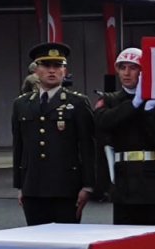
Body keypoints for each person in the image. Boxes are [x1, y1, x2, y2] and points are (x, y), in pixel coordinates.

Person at [11, 42, 97, 226]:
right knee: (37, 244)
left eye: (57, 66)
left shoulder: (78, 103)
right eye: (46, 65)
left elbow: (88, 146)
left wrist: (88, 185)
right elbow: (19, 147)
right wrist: (20, 186)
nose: (52, 71)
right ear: (36, 71)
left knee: (67, 243)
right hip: (33, 186)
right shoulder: (22, 104)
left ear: (64, 71)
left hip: (66, 186)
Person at [93, 47, 155, 226]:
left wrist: (148, 109)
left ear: (143, 71)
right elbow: (102, 122)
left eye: (133, 68)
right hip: (125, 183)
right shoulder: (109, 99)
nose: (127, 73)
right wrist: (134, 104)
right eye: (122, 67)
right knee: (126, 245)